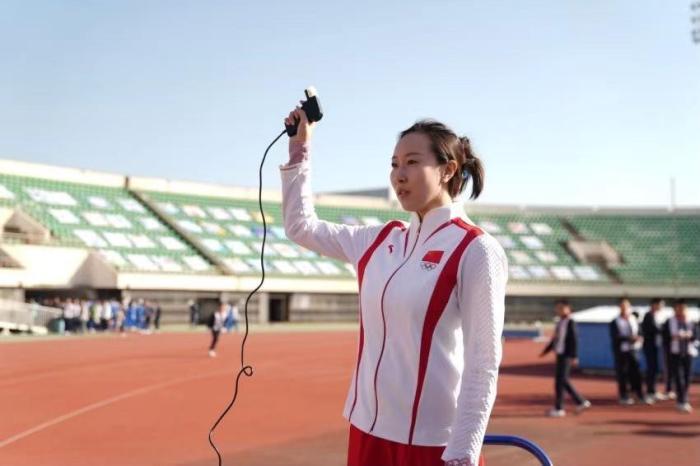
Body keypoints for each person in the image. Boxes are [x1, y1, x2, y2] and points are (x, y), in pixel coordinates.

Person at [281, 109, 507, 466]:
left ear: (448, 170)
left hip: (433, 445)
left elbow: (484, 362)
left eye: (412, 162)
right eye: (394, 164)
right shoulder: (380, 240)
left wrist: (463, 453)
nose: (398, 176)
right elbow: (300, 226)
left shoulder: (476, 249)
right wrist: (300, 151)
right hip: (366, 431)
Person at [540, 299, 591, 417]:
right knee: (560, 381)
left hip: (567, 355)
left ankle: (578, 402)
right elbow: (555, 339)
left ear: (568, 308)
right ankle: (563, 407)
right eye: (557, 308)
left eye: (562, 308)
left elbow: (574, 340)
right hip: (560, 354)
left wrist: (574, 356)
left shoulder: (570, 322)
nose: (559, 310)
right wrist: (545, 351)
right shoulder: (559, 322)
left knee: (563, 380)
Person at [609, 297, 648, 405]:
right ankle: (624, 396)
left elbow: (640, 331)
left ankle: (639, 394)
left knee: (636, 373)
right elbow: (615, 337)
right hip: (621, 351)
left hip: (634, 350)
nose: (624, 308)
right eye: (622, 306)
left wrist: (639, 337)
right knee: (623, 374)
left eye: (626, 306)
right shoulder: (615, 321)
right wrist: (628, 338)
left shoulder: (634, 319)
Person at [662, 299, 699, 413]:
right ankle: (682, 401)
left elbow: (696, 337)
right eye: (679, 308)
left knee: (687, 377)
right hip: (675, 353)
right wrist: (674, 337)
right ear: (675, 309)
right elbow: (665, 337)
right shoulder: (669, 321)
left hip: (688, 352)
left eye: (683, 308)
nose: (681, 311)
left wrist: (689, 336)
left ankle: (683, 397)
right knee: (679, 377)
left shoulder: (691, 321)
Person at [641, 298, 666, 401]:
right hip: (649, 347)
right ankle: (649, 392)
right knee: (651, 369)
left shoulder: (656, 316)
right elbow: (654, 329)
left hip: (655, 346)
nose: (662, 307)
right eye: (660, 304)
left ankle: (653, 390)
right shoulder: (648, 316)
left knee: (655, 369)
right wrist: (665, 329)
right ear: (654, 305)